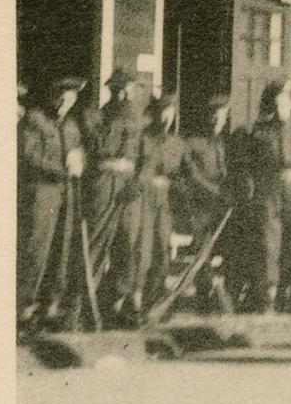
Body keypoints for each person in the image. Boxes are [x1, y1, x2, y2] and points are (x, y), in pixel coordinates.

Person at [17, 76, 87, 331]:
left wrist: (80, 164)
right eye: (61, 95)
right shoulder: (34, 120)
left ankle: (50, 306)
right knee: (36, 248)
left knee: (62, 248)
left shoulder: (71, 126)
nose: (65, 101)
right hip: (41, 194)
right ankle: (24, 307)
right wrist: (62, 171)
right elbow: (29, 155)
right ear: (52, 95)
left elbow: (78, 153)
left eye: (71, 96)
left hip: (65, 196)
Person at [83, 67, 146, 322]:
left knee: (127, 244)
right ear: (112, 91)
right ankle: (87, 303)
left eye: (129, 90)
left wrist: (137, 183)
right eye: (121, 90)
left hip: (129, 185)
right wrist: (121, 117)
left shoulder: (137, 119)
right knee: (98, 242)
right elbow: (100, 148)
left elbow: (145, 155)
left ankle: (117, 302)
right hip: (104, 183)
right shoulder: (96, 117)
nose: (126, 95)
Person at [178, 94, 246, 311]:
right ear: (207, 118)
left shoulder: (225, 143)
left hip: (223, 207)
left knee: (229, 249)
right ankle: (204, 295)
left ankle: (227, 294)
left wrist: (234, 190)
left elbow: (230, 173)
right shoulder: (192, 143)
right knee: (203, 251)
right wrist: (218, 192)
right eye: (214, 118)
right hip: (201, 206)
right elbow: (193, 175)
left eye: (222, 118)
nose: (218, 122)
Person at [250, 79, 291, 313]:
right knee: (269, 243)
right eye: (277, 103)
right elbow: (252, 165)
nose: (281, 107)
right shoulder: (261, 131)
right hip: (270, 191)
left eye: (285, 101)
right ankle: (269, 296)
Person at [127, 92, 185, 326]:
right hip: (143, 197)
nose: (165, 117)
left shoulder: (177, 143)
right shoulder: (144, 139)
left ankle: (154, 302)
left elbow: (183, 174)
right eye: (161, 111)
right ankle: (135, 301)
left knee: (162, 247)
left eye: (169, 112)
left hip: (164, 199)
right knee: (143, 249)